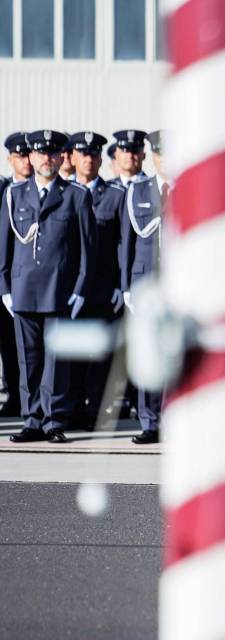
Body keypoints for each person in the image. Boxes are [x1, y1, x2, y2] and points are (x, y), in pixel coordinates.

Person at [1, 130, 95, 443]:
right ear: (31, 156)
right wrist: (4, 287)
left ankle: (53, 421)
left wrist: (80, 289)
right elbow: (4, 246)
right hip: (23, 289)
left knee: (56, 362)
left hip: (59, 290)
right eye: (40, 153)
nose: (46, 158)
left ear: (60, 158)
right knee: (28, 359)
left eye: (53, 153)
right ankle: (32, 420)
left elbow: (87, 250)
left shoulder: (76, 195)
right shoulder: (15, 194)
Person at [70, 132, 126, 430]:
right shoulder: (63, 193)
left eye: (94, 154)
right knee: (71, 353)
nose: (89, 159)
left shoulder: (115, 195)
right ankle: (71, 410)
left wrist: (120, 284)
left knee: (99, 356)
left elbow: (122, 243)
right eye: (83, 154)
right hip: (69, 290)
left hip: (103, 289)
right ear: (73, 157)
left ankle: (95, 412)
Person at [120, 130, 169, 444]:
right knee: (149, 351)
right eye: (160, 153)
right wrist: (127, 285)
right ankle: (150, 422)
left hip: (179, 283)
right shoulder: (138, 190)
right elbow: (127, 240)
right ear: (153, 156)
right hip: (145, 282)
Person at [0, 132, 32, 419]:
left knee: (22, 343)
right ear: (10, 159)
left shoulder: (41, 188)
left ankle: (24, 398)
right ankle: (12, 394)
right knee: (6, 343)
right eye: (20, 156)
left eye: (28, 155)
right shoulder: (3, 189)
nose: (26, 161)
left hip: (25, 280)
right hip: (3, 278)